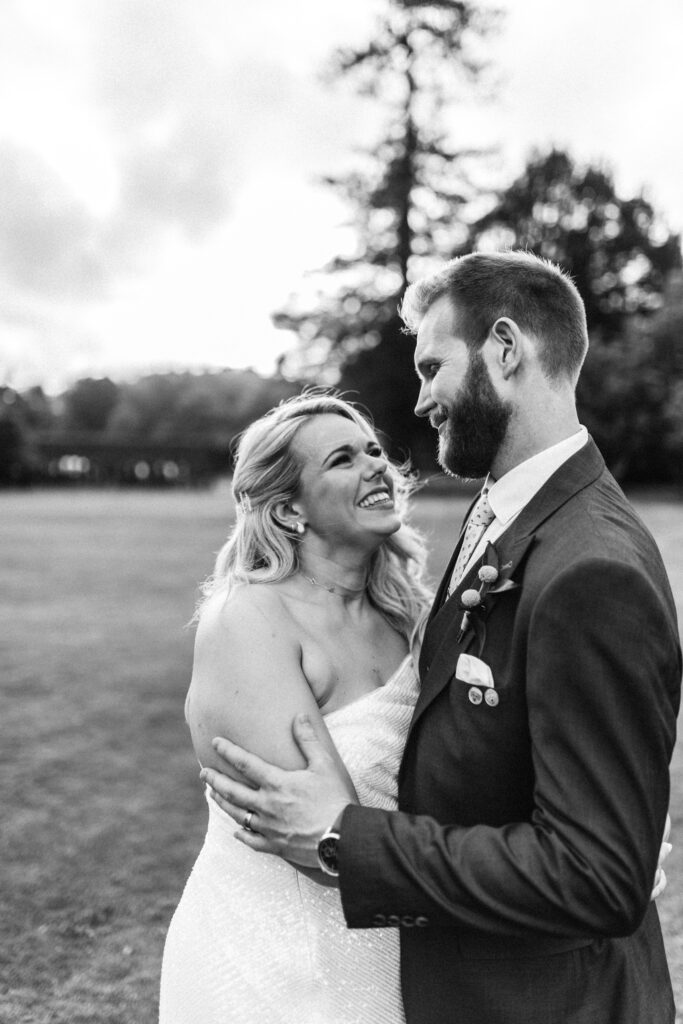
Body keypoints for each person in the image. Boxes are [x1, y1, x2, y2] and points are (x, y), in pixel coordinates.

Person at [202, 251, 682, 1024]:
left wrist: (342, 839)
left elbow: (594, 875)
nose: (420, 401)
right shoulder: (508, 504)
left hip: (546, 1003)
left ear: (504, 348)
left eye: (432, 368)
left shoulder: (590, 567)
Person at [159, 392, 434, 1023]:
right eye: (343, 459)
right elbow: (321, 843)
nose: (376, 466)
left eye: (373, 449)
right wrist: (518, 896)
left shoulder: (412, 615)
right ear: (287, 509)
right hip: (276, 969)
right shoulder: (251, 619)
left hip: (394, 951)